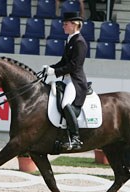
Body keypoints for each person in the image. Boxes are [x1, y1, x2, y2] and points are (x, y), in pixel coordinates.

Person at [42, 12, 88, 150]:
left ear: (74, 24)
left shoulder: (80, 42)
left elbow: (75, 65)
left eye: (65, 24)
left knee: (65, 103)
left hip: (75, 81)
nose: (63, 26)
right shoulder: (70, 40)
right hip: (67, 79)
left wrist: (55, 72)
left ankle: (75, 138)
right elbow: (63, 62)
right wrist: (50, 68)